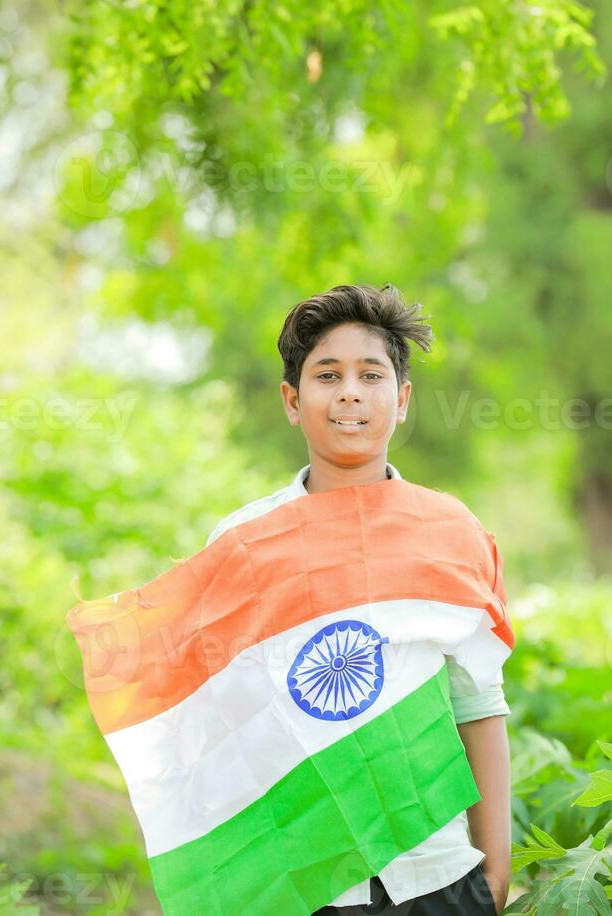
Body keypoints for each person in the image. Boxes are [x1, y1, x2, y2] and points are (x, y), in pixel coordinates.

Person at [205, 282, 512, 915]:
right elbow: (220, 724)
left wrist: (495, 880)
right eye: (327, 375)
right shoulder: (241, 544)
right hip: (296, 879)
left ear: (401, 400)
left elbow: (478, 705)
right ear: (293, 401)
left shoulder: (450, 532)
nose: (349, 391)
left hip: (436, 876)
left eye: (370, 375)